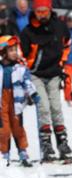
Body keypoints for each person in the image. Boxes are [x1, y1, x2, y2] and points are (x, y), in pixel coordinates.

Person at [19, 0, 72, 163]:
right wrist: (29, 67)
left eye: (44, 11)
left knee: (56, 108)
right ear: (34, 12)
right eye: (38, 11)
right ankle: (46, 144)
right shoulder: (29, 31)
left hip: (54, 73)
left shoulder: (59, 27)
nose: (42, 15)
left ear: (50, 11)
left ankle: (62, 142)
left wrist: (62, 62)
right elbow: (23, 54)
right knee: (43, 107)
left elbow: (67, 43)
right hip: (36, 74)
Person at [0, 35, 39, 167]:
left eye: (15, 49)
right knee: (3, 130)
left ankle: (23, 152)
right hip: (1, 103)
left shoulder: (20, 68)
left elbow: (27, 82)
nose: (14, 53)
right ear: (3, 52)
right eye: (11, 50)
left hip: (16, 102)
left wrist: (33, 94)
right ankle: (4, 155)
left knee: (18, 128)